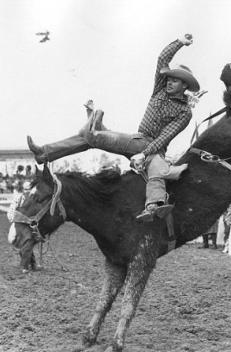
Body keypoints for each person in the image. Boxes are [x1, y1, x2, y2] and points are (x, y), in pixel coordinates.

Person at [27, 34, 199, 222]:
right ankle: (45, 153)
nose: (169, 81)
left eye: (175, 80)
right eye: (169, 78)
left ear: (185, 85)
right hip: (137, 140)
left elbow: (165, 137)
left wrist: (144, 154)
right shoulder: (159, 89)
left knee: (96, 139)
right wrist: (180, 42)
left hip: (151, 147)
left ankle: (153, 206)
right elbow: (162, 58)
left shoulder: (184, 113)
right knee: (92, 138)